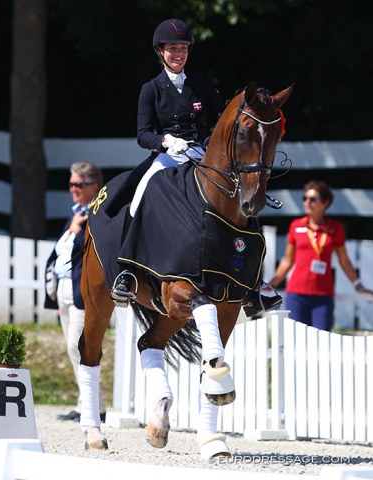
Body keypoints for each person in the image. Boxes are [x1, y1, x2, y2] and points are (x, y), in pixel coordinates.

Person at [110, 18, 282, 315]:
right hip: (166, 156)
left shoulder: (201, 84)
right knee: (140, 194)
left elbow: (222, 119)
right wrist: (165, 141)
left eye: (183, 48)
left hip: (201, 155)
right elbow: (142, 134)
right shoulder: (151, 89)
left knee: (241, 199)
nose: (178, 53)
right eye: (172, 48)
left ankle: (255, 283)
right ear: (160, 51)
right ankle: (126, 270)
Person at [44, 161, 106, 422]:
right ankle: (87, 404)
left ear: (94, 186)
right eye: (71, 184)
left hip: (84, 290)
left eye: (79, 184)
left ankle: (94, 407)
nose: (73, 189)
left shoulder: (97, 214)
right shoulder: (75, 214)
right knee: (73, 348)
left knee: (78, 345)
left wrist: (80, 227)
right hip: (65, 290)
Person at [269, 180, 373, 331]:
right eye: (305, 198)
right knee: (296, 341)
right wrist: (271, 285)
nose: (307, 202)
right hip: (297, 294)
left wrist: (359, 286)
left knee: (322, 343)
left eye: (312, 199)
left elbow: (344, 262)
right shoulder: (296, 225)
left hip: (323, 296)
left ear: (325, 203)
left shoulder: (335, 228)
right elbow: (287, 261)